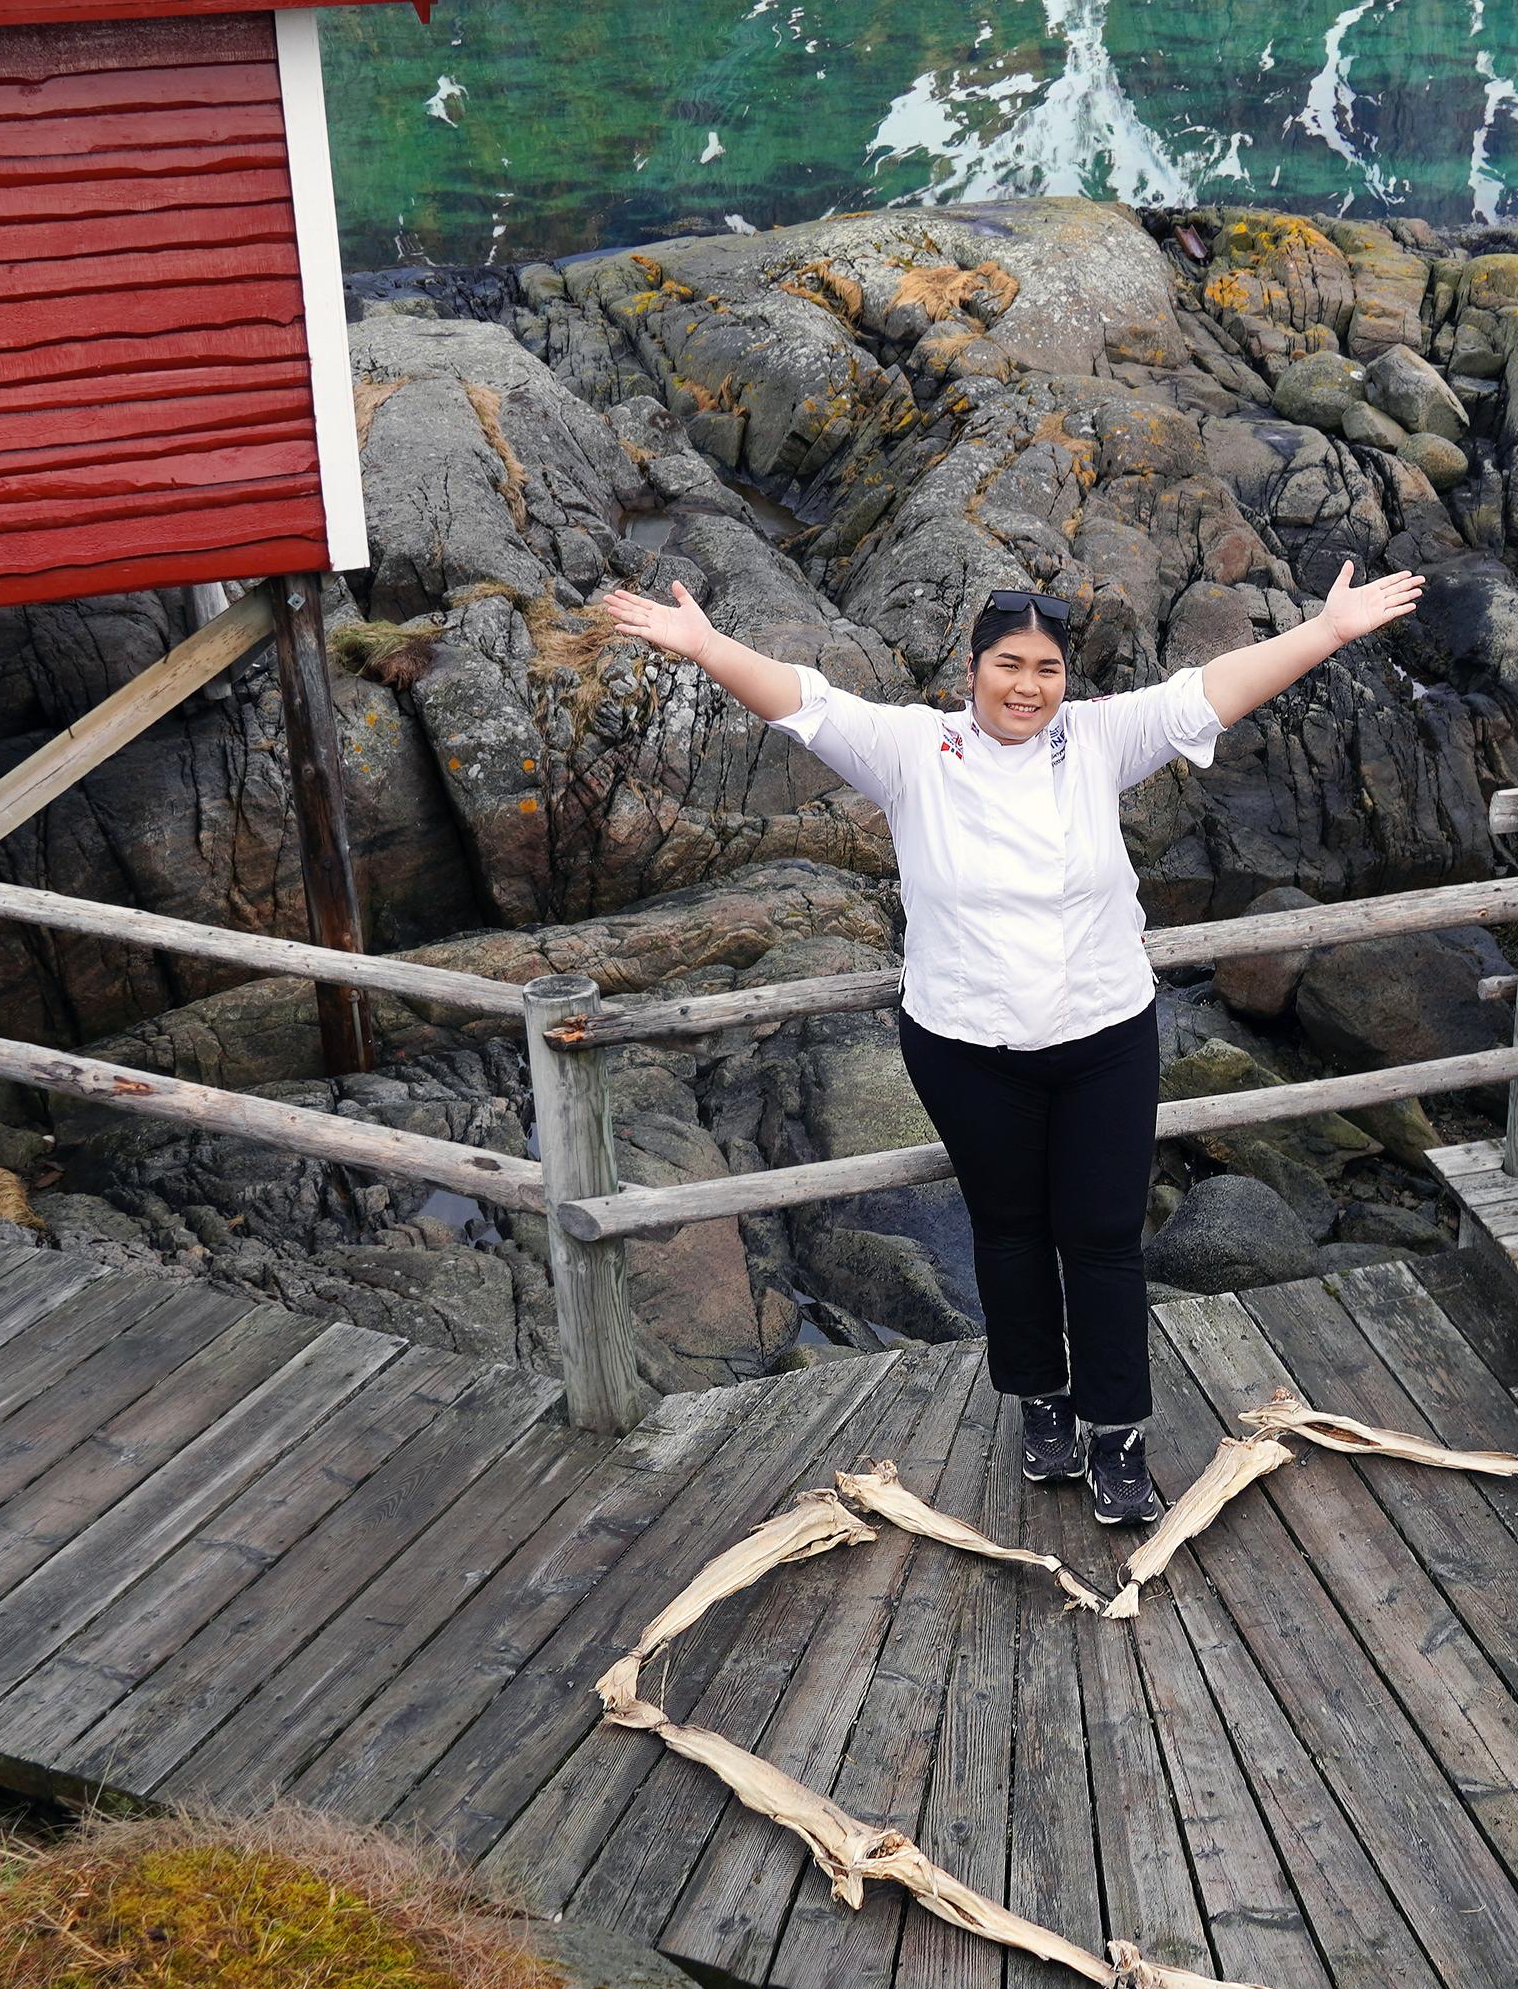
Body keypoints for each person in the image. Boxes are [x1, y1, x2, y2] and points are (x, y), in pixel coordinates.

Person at [598, 567, 1423, 1525]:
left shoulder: (1098, 739)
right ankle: (1042, 1404)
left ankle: (1117, 1436)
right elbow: (804, 703)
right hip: (965, 1047)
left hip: (1104, 1039)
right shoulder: (914, 749)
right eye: (1009, 665)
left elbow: (1211, 690)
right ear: (973, 670)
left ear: (1066, 677)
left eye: (1046, 669)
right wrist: (706, 646)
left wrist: (1326, 630)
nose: (1028, 687)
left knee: (1103, 1240)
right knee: (1010, 1233)